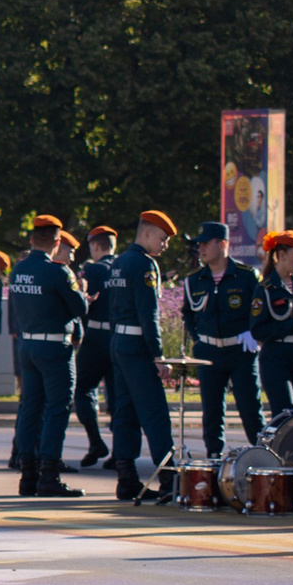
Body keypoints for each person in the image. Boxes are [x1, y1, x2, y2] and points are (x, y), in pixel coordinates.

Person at [8, 215, 90, 498]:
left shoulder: (18, 270)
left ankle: (27, 475)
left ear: (32, 239)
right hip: (55, 348)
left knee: (30, 408)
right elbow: (79, 307)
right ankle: (49, 475)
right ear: (57, 243)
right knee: (57, 409)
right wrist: (84, 294)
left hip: (28, 345)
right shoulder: (58, 271)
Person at [106, 212, 180, 503]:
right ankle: (169, 478)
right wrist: (158, 355)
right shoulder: (146, 265)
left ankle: (126, 479)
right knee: (155, 414)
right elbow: (149, 315)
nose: (164, 246)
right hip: (137, 346)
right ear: (147, 234)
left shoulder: (119, 262)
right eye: (162, 239)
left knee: (124, 413)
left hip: (119, 343)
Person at [179, 221, 263, 456]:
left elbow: (258, 309)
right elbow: (188, 314)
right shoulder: (194, 280)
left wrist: (252, 332)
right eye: (200, 245)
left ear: (223, 244)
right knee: (212, 412)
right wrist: (198, 340)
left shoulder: (246, 276)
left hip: (240, 351)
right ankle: (214, 458)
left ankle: (262, 457)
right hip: (209, 354)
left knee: (250, 409)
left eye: (206, 244)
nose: (201, 249)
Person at [252, 232, 293, 417]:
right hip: (276, 357)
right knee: (285, 414)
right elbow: (258, 331)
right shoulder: (265, 288)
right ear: (281, 255)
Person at [71, 226, 119, 470]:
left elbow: (81, 303)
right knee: (117, 395)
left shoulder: (92, 269)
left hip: (95, 336)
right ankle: (120, 453)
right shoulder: (123, 267)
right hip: (119, 337)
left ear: (95, 246)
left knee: (82, 390)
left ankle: (96, 441)